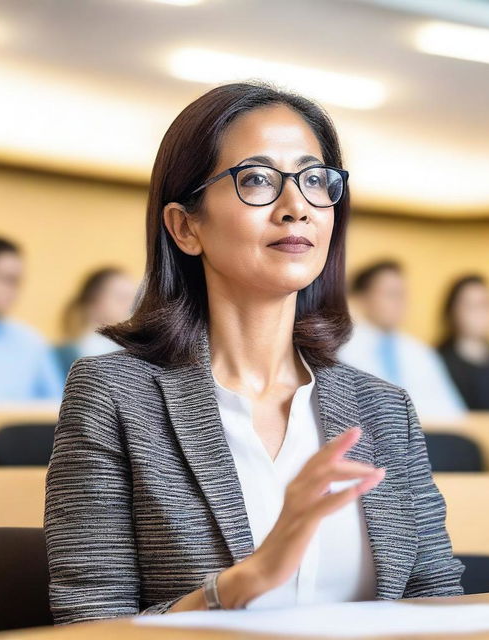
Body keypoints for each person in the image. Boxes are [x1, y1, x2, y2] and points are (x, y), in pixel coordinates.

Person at [44, 82, 465, 625]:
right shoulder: (114, 395)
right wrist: (241, 584)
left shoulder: (384, 409)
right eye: (258, 180)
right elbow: (91, 624)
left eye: (315, 180)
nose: (297, 207)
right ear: (185, 226)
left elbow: (442, 606)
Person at [337, 260, 466, 422]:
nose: (400, 302)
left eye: (402, 294)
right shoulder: (341, 348)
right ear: (362, 298)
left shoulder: (420, 351)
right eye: (391, 294)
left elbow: (452, 411)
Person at [0, 235, 63, 403]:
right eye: (5, 279)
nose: (12, 289)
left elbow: (57, 407)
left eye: (17, 282)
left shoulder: (31, 341)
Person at [437, 275, 489, 411]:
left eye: (485, 305)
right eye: (471, 306)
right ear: (452, 311)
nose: (480, 313)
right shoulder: (436, 360)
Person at [54, 267, 137, 378]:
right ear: (95, 300)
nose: (130, 306)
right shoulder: (63, 356)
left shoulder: (130, 352)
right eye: (122, 298)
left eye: (133, 299)